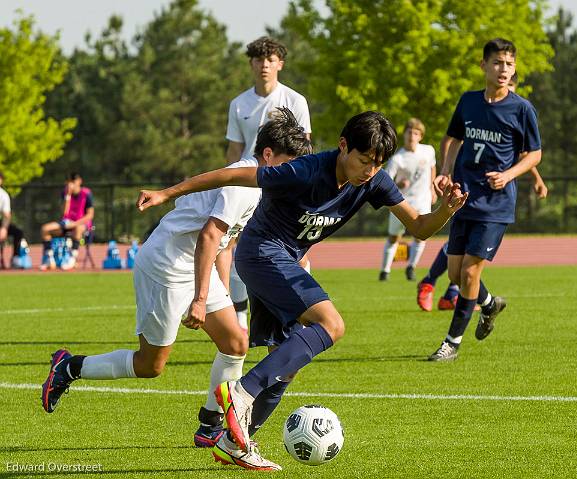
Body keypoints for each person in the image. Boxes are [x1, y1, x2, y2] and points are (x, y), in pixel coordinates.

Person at [136, 111, 468, 468]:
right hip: (260, 253)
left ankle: (236, 442)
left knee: (288, 361)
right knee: (332, 325)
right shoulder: (306, 169)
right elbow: (233, 174)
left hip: (285, 263)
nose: (370, 170)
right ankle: (240, 392)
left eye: (377, 163)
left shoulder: (374, 181)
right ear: (343, 146)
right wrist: (166, 193)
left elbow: (419, 227)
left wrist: (445, 210)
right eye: (364, 160)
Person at [41, 110, 312, 471]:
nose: (292, 174)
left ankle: (211, 425)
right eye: (288, 165)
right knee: (150, 365)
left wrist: (221, 296)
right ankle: (69, 367)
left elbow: (224, 245)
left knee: (235, 343)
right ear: (267, 156)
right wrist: (200, 299)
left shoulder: (258, 182)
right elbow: (209, 236)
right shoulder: (243, 184)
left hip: (194, 264)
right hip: (166, 266)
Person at [427, 38, 542, 361]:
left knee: (468, 275)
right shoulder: (469, 102)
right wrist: (446, 171)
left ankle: (451, 343)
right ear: (484, 66)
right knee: (453, 274)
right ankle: (490, 304)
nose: (503, 69)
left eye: (509, 64)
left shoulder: (521, 109)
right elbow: (451, 138)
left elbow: (534, 154)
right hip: (463, 197)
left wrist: (508, 175)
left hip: (496, 204)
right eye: (497, 63)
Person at [417, 73, 548, 312]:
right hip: (466, 189)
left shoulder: (516, 112)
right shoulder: (476, 108)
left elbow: (525, 154)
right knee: (457, 261)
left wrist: (535, 178)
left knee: (468, 268)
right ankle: (444, 286)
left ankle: (453, 299)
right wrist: (447, 169)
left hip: (491, 199)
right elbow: (451, 139)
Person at [223, 36, 312, 333]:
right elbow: (234, 151)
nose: (264, 65)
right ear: (251, 63)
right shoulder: (238, 104)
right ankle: (239, 320)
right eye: (259, 59)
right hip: (250, 186)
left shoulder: (295, 101)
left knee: (297, 252)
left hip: (285, 189)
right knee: (237, 247)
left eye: (271, 59)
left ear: (280, 64)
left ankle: (302, 311)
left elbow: (304, 147)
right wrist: (228, 183)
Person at [378, 118, 436, 281]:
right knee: (394, 237)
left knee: (421, 236)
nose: (412, 135)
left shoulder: (428, 151)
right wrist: (398, 183)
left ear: (421, 136)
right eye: (409, 132)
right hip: (401, 203)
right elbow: (385, 181)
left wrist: (432, 188)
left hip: (422, 202)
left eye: (416, 133)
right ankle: (385, 271)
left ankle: (411, 267)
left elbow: (432, 167)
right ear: (404, 135)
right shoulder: (398, 159)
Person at [39, 173, 94, 271]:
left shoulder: (86, 194)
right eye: (69, 182)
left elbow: (90, 215)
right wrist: (68, 196)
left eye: (73, 181)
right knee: (45, 229)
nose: (71, 184)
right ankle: (49, 260)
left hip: (81, 225)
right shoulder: (65, 193)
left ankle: (72, 259)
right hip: (67, 223)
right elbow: (64, 213)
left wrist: (75, 223)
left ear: (79, 181)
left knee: (77, 228)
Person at [0, 172, 26, 268]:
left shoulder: (3, 195)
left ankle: (16, 258)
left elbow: (6, 215)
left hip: (1, 223)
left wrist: (4, 228)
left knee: (18, 232)